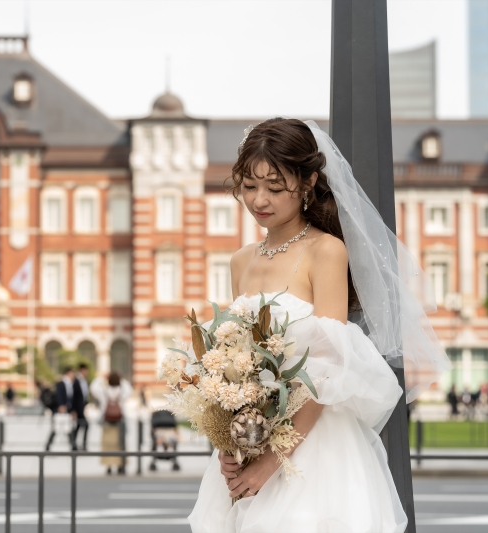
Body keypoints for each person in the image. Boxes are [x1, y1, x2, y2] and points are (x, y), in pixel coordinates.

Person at [189, 119, 450, 532]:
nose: (259, 199)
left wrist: (272, 462)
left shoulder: (326, 251)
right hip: (251, 449)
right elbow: (233, 367)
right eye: (249, 185)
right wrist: (230, 444)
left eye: (275, 188)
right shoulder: (240, 260)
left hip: (312, 448)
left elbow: (328, 371)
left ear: (309, 182)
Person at [91, 371, 132, 475]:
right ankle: (120, 465)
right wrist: (120, 378)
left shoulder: (103, 390)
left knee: (107, 444)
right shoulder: (122, 390)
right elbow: (129, 389)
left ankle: (108, 465)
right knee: (120, 444)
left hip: (107, 420)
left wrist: (102, 377)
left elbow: (93, 387)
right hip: (120, 420)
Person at [55, 367, 77, 450]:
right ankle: (47, 447)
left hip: (68, 409)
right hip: (61, 410)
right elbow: (59, 395)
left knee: (68, 429)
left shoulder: (71, 383)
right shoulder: (61, 383)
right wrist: (61, 405)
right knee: (56, 429)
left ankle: (73, 446)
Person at [71, 364, 90, 450]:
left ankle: (74, 445)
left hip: (81, 407)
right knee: (84, 425)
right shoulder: (76, 381)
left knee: (78, 427)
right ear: (82, 370)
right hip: (78, 409)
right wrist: (73, 410)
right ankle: (81, 445)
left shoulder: (83, 381)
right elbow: (74, 396)